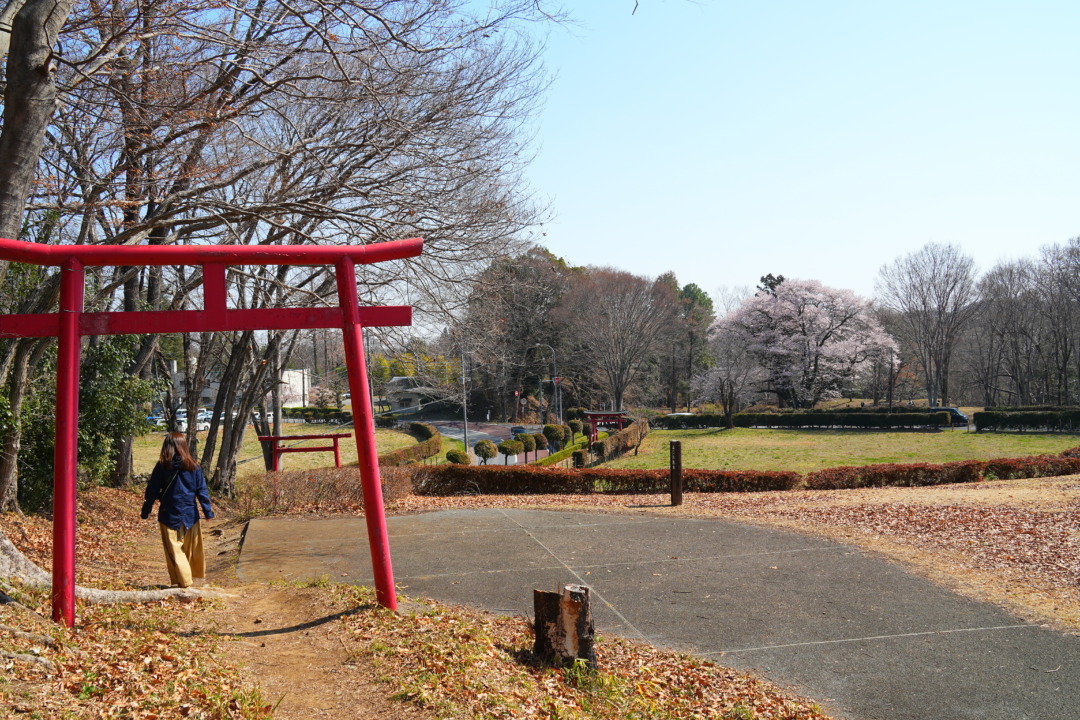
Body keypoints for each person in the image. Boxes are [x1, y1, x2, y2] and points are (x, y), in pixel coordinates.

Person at [141, 432, 214, 588]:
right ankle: (185, 581)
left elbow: (152, 491)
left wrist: (146, 511)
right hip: (190, 514)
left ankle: (184, 582)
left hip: (168, 514)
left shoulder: (161, 467)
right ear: (183, 446)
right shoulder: (193, 466)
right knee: (188, 550)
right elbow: (202, 491)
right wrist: (207, 511)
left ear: (166, 446)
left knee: (175, 551)